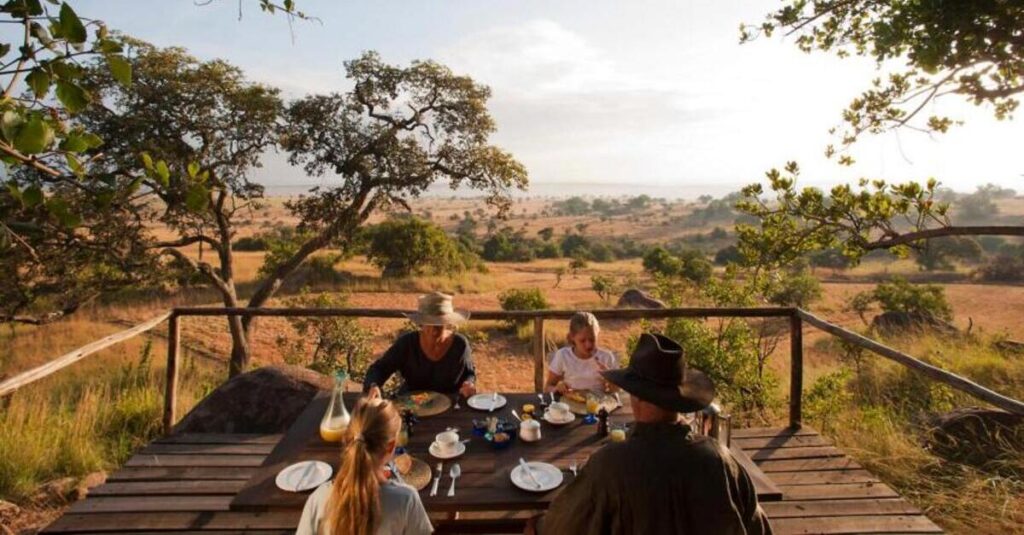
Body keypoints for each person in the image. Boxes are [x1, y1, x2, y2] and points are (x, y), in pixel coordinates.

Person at [530, 333, 773, 535]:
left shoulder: (609, 465)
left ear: (634, 397)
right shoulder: (721, 460)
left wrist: (535, 525)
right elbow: (757, 527)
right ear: (681, 400)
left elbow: (561, 527)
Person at [297, 386, 433, 535]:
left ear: (348, 439)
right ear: (390, 446)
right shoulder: (405, 500)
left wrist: (370, 414)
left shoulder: (319, 498)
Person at [363, 292, 477, 397]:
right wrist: (373, 385)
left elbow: (469, 373)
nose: (433, 331)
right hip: (411, 405)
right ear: (421, 323)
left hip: (451, 406)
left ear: (447, 323)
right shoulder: (407, 344)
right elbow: (380, 368)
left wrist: (469, 383)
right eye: (429, 323)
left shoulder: (460, 344)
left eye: (439, 324)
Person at [544, 311, 618, 393]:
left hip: (599, 400)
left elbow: (616, 391)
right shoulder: (563, 356)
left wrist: (610, 380)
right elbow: (548, 387)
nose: (588, 345)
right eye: (582, 341)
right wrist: (557, 389)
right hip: (571, 400)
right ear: (572, 337)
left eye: (592, 340)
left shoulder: (606, 357)